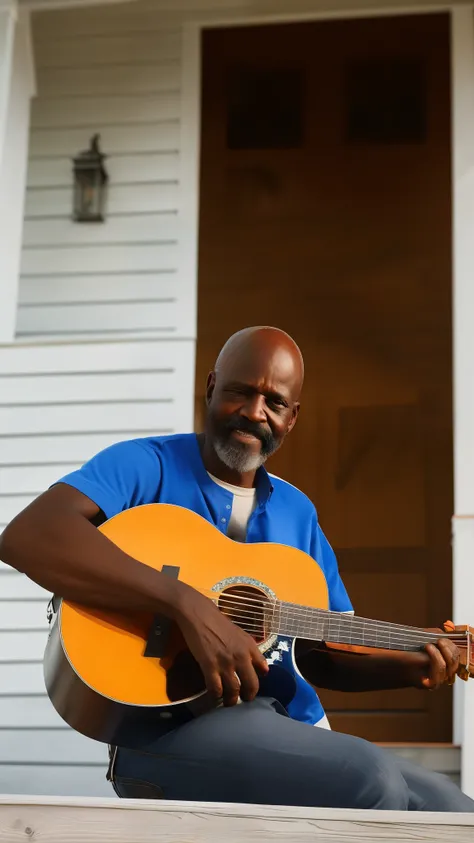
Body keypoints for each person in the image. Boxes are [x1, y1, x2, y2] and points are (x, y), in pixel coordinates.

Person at [0, 326, 472, 812]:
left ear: (292, 418)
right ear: (210, 387)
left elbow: (318, 653)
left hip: (287, 730)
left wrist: (410, 667)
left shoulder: (297, 512)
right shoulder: (145, 465)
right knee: (369, 780)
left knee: (455, 812)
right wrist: (187, 606)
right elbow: (29, 536)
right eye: (240, 392)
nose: (254, 412)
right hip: (166, 727)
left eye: (274, 402)